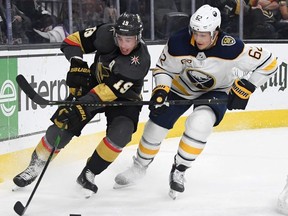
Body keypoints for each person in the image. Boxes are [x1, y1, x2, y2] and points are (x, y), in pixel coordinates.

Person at [114, 4, 278, 199]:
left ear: (215, 32)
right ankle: (139, 167)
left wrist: (247, 87)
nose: (198, 39)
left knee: (200, 124)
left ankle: (179, 170)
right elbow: (164, 69)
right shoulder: (178, 42)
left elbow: (270, 63)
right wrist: (161, 89)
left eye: (204, 35)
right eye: (196, 33)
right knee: (156, 125)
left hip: (216, 91)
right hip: (181, 88)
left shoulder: (232, 47)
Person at [13, 12, 151, 197]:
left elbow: (107, 92)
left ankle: (89, 173)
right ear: (114, 34)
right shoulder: (104, 34)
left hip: (124, 99)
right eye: (120, 38)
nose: (124, 45)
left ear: (138, 38)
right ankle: (35, 165)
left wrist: (80, 105)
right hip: (95, 86)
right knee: (63, 123)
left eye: (129, 40)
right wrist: (77, 62)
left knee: (121, 133)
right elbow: (71, 41)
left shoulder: (139, 62)